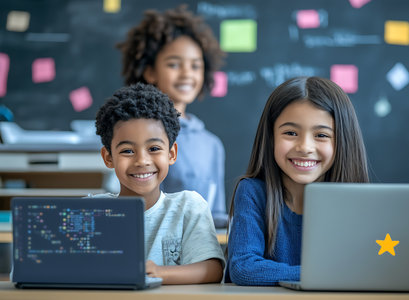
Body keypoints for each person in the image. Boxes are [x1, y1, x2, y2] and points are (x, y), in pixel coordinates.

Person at [225, 76, 369, 286]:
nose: (305, 147)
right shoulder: (252, 192)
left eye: (321, 135)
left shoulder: (358, 202)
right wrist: (328, 273)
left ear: (343, 141)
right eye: (291, 133)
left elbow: (368, 269)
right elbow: (244, 269)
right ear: (271, 137)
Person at [94, 83, 224, 284]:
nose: (142, 161)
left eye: (154, 148)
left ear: (171, 154)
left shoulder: (188, 207)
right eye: (127, 151)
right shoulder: (93, 211)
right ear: (108, 157)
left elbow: (212, 269)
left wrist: (158, 272)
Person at [116, 5, 228, 228]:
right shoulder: (136, 133)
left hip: (198, 252)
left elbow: (217, 215)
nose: (187, 73)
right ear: (150, 71)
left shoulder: (212, 144)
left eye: (196, 66)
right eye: (174, 64)